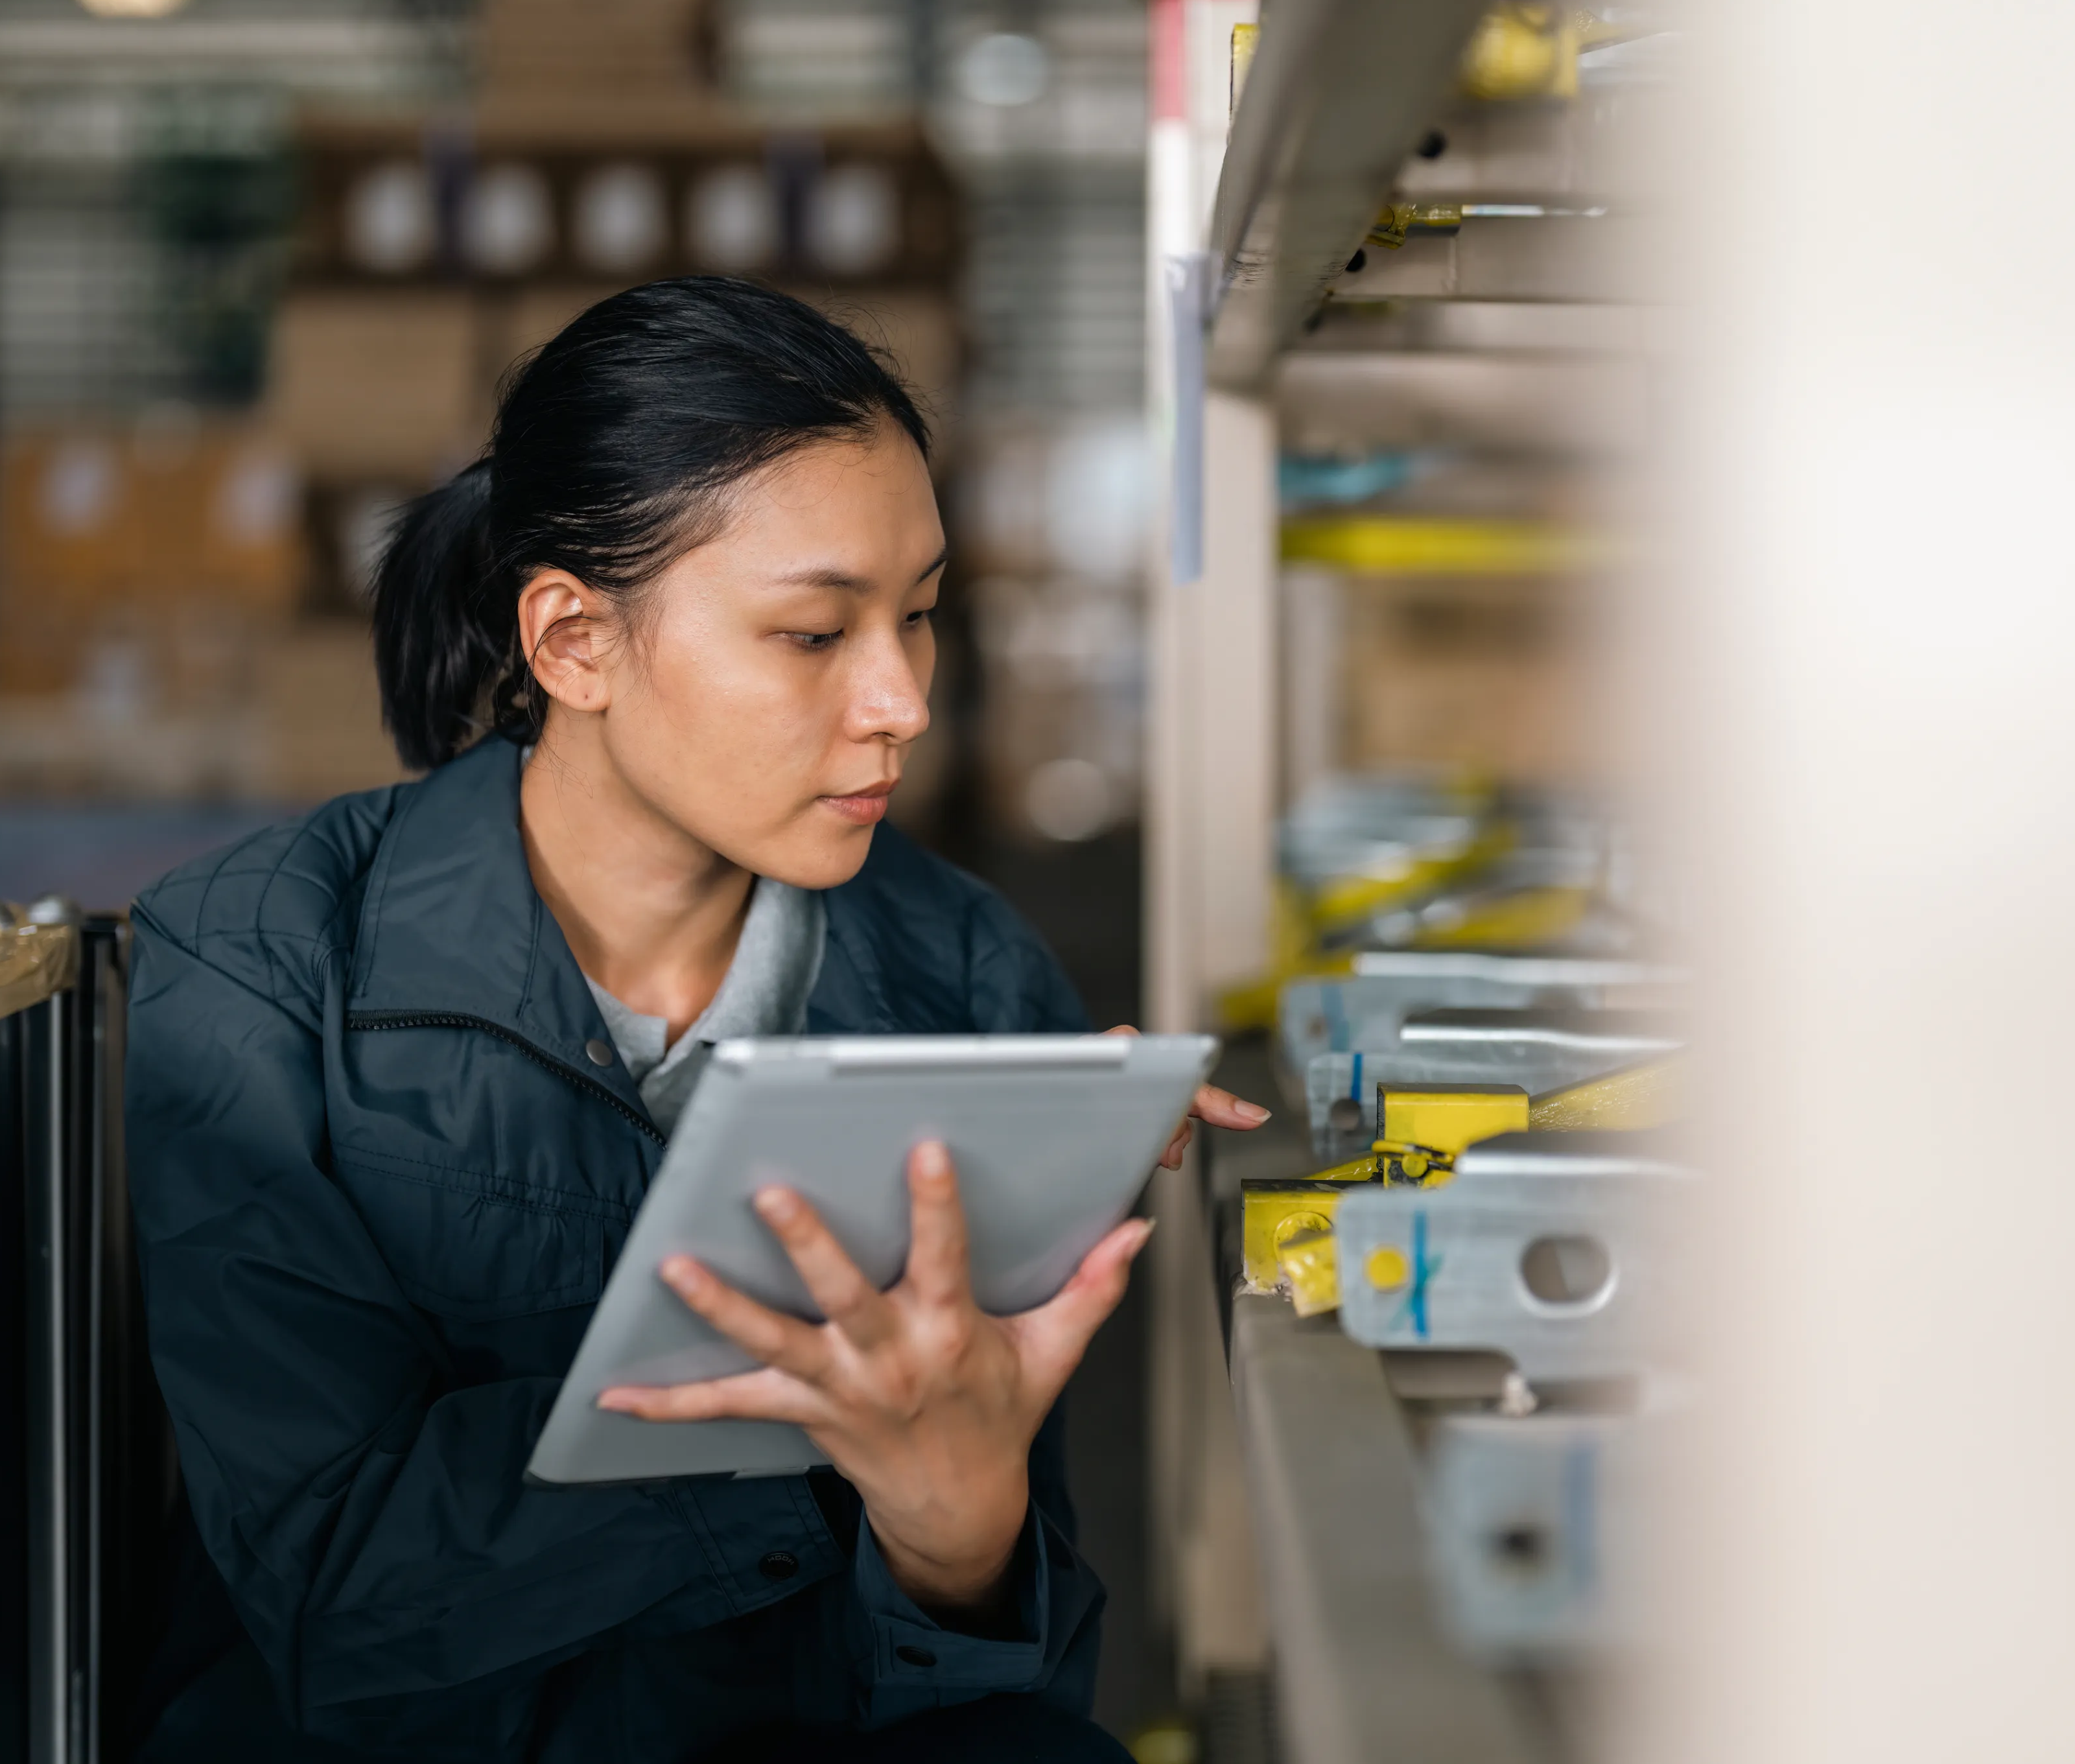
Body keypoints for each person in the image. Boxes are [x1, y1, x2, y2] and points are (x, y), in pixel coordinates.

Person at [124, 277, 1267, 1763]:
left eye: (918, 618)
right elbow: (338, 1588)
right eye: (811, 636)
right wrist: (821, 1434)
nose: (900, 702)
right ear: (573, 642)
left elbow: (992, 1681)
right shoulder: (265, 961)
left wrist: (959, 1538)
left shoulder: (968, 977)